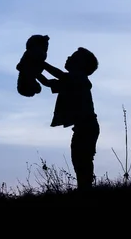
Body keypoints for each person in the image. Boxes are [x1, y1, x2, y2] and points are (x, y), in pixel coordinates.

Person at [37, 47, 100, 191]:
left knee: (82, 159)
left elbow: (59, 75)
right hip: (83, 127)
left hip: (87, 127)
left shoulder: (79, 78)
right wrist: (34, 71)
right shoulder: (71, 80)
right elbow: (48, 83)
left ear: (81, 65)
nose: (68, 57)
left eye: (73, 56)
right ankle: (84, 188)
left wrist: (42, 64)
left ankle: (85, 189)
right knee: (79, 159)